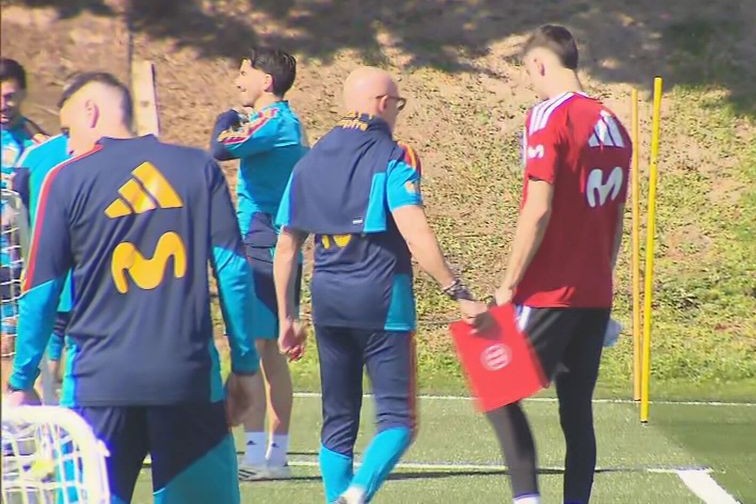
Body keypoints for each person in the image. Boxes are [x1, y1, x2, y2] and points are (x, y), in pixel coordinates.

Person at [5, 72, 262, 504]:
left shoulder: (66, 178)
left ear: (91, 111)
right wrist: (245, 366)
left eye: (68, 131)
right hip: (187, 380)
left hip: (99, 386)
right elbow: (234, 272)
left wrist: (21, 380)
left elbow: (41, 288)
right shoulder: (198, 167)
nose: (67, 145)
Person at [273, 66, 489, 504]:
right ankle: (354, 498)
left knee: (338, 422)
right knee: (398, 421)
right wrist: (460, 293)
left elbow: (286, 248)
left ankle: (338, 497)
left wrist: (287, 318)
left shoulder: (308, 160)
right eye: (398, 105)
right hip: (382, 299)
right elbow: (415, 232)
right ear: (383, 104)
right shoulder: (394, 154)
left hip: (328, 300)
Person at [487, 25, 632, 504]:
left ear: (539, 64)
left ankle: (527, 498)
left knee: (496, 387)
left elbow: (539, 207)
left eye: (528, 72)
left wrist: (509, 284)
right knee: (576, 412)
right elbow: (615, 218)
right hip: (593, 291)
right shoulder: (613, 123)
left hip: (551, 289)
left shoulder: (547, 116)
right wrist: (604, 279)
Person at [210, 46, 308, 480]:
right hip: (273, 242)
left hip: (264, 244)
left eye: (244, 73)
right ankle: (273, 456)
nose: (238, 81)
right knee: (268, 353)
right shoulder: (281, 122)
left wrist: (227, 119)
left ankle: (258, 457)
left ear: (266, 81)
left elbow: (219, 148)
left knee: (253, 348)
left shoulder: (274, 122)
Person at [11, 130, 73, 405]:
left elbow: (15, 210)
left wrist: (23, 254)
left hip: (46, 275)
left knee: (50, 345)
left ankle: (51, 414)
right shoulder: (106, 154)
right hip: (93, 282)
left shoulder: (35, 155)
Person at [1, 58, 46, 370]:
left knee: (8, 349)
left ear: (23, 94)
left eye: (9, 96)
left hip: (14, 262)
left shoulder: (36, 143)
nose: (3, 105)